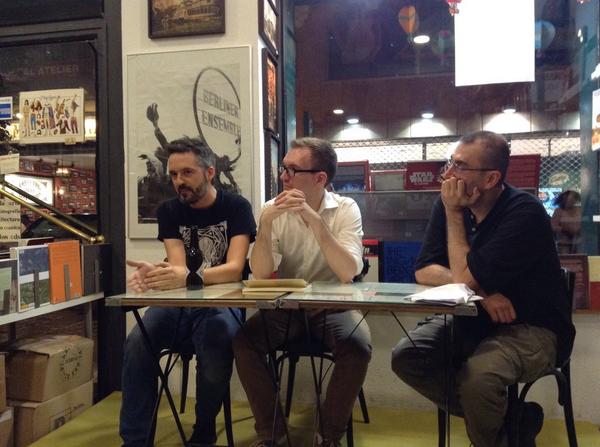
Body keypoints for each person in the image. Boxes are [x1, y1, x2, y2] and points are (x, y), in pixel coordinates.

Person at [391, 131, 575, 447]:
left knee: (479, 380)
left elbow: (462, 278)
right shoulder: (450, 202)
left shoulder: (524, 212)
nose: (448, 174)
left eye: (460, 166)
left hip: (534, 328)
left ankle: (495, 432)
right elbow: (424, 270)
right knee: (408, 356)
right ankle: (515, 420)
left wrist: (453, 215)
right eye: (450, 163)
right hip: (475, 318)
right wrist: (483, 294)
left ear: (491, 179)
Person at [233, 137, 371, 447]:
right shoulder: (271, 208)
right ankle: (273, 434)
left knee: (357, 347)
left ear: (320, 178)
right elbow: (260, 272)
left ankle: (328, 436)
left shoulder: (346, 209)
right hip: (288, 307)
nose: (283, 176)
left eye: (292, 170)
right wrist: (266, 225)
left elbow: (348, 271)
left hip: (334, 306)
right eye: (283, 168)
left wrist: (314, 219)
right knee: (244, 342)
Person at [120, 136, 257, 447]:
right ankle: (135, 440)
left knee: (216, 340)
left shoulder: (236, 207)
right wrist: (159, 273)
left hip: (224, 302)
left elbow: (234, 268)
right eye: (173, 174)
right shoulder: (169, 210)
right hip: (180, 305)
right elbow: (178, 269)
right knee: (137, 342)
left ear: (210, 173)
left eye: (187, 173)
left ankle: (204, 431)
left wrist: (186, 277)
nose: (179, 181)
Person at [551, 189, 582, 254]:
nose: (571, 201)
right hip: (563, 243)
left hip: (579, 242)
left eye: (573, 199)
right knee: (566, 258)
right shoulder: (558, 211)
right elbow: (553, 226)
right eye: (569, 200)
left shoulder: (579, 209)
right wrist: (563, 229)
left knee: (579, 258)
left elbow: (586, 222)